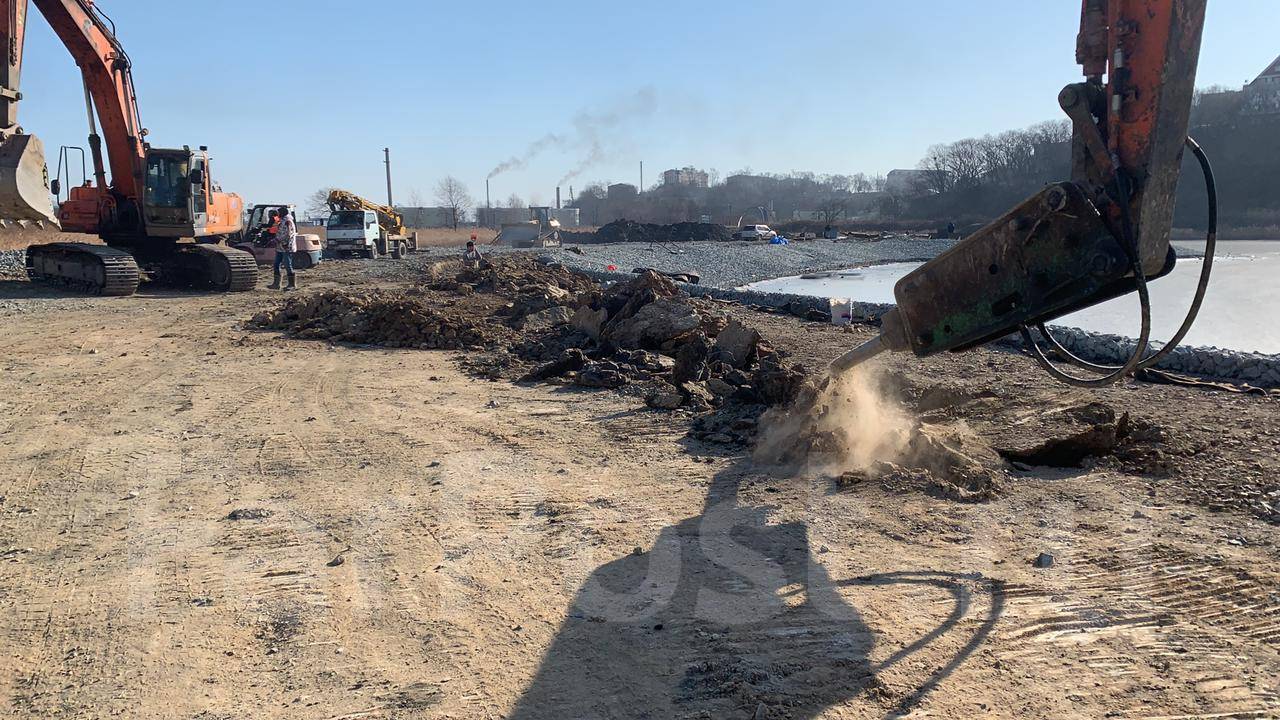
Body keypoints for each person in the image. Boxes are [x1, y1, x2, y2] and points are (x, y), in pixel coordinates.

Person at [270, 207, 298, 290]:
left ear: (282, 213)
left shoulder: (287, 221)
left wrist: (277, 240)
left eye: (278, 213)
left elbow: (287, 234)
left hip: (286, 246)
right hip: (280, 247)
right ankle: (276, 284)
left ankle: (292, 285)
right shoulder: (281, 221)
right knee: (276, 264)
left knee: (287, 265)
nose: (277, 214)